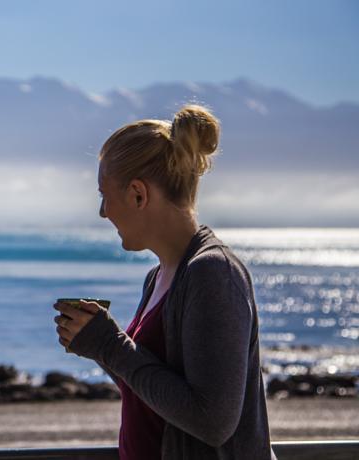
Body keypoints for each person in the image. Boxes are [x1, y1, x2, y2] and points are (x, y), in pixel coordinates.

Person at [53, 105, 275, 459]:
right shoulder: (157, 277)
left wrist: (111, 346)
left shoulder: (212, 273)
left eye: (103, 196)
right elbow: (155, 391)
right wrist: (97, 345)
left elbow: (213, 422)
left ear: (138, 194)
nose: (103, 212)